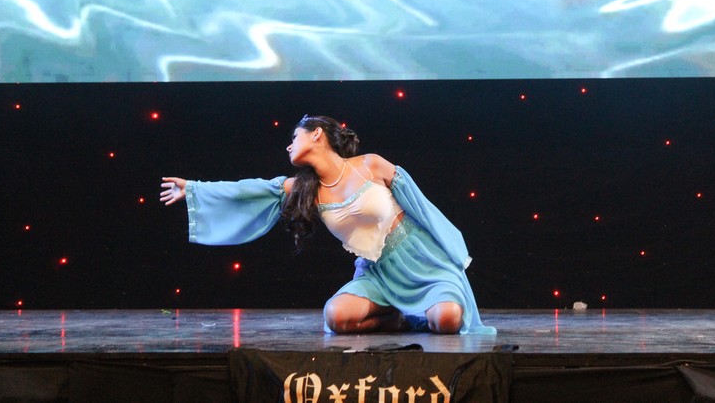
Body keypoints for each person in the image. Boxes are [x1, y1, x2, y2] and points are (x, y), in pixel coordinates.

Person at [161, 115, 494, 335]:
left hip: (421, 262)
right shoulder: (306, 189)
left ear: (316, 134)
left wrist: (451, 252)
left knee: (448, 319)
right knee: (336, 317)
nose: (289, 145)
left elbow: (422, 207)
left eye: (294, 137)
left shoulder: (371, 164)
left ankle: (424, 310)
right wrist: (194, 188)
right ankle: (397, 318)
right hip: (377, 275)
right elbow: (247, 190)